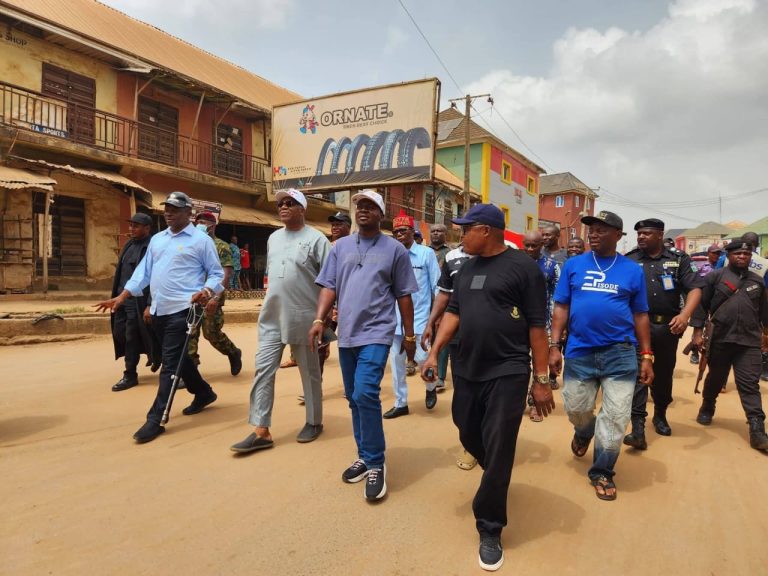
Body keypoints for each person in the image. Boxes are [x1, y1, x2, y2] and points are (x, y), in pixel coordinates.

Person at [421, 203, 554, 572]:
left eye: (465, 229)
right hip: (467, 367)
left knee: (499, 446)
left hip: (508, 371)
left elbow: (536, 327)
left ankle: (490, 525)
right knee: (466, 429)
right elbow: (454, 313)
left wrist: (541, 381)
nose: (460, 236)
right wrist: (434, 354)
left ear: (486, 230)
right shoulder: (464, 268)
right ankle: (494, 471)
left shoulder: (524, 269)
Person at [310, 189, 417, 502]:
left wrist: (409, 336)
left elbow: (404, 296)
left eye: (370, 206)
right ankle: (364, 453)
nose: (363, 210)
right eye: (359, 205)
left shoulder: (394, 250)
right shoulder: (340, 247)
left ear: (381, 214)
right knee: (353, 398)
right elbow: (329, 286)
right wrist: (319, 320)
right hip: (347, 334)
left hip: (378, 331)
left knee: (366, 391)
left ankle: (375, 463)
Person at [95, 191, 225, 444]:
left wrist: (206, 291)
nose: (168, 212)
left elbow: (216, 274)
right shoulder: (158, 240)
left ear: (189, 212)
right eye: (166, 208)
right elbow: (143, 274)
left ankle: (156, 418)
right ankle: (204, 393)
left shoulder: (201, 240)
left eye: (175, 208)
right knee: (178, 358)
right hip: (159, 310)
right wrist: (121, 297)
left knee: (169, 364)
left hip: (185, 309)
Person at [549, 210, 653, 501]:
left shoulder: (632, 271)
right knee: (576, 408)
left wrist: (646, 355)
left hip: (620, 353)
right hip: (580, 350)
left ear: (618, 235)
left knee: (617, 416)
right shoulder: (573, 265)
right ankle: (584, 432)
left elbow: (640, 314)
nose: (593, 234)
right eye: (591, 229)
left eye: (601, 229)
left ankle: (602, 471)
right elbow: (561, 308)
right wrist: (555, 346)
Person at [230, 189, 331, 453]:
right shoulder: (273, 238)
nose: (283, 206)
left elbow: (331, 281)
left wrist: (326, 317)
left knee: (309, 373)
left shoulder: (318, 239)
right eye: (280, 203)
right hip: (272, 317)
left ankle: (314, 421)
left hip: (304, 318)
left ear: (303, 209)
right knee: (263, 369)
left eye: (290, 203)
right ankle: (261, 429)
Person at [622, 219, 703, 449]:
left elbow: (695, 288)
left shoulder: (678, 259)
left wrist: (685, 315)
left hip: (667, 328)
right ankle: (638, 427)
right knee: (639, 373)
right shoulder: (630, 259)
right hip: (636, 327)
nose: (641, 237)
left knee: (664, 373)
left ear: (660, 234)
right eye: (639, 233)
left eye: (646, 233)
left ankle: (660, 414)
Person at [691, 238, 768, 451]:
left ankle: (757, 429)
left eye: (747, 254)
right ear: (729, 255)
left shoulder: (757, 281)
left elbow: (764, 311)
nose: (742, 257)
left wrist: (766, 335)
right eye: (738, 254)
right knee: (715, 379)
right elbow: (701, 306)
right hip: (720, 340)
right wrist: (697, 332)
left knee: (750, 385)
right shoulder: (715, 277)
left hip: (749, 341)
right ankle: (707, 406)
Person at [422, 240, 476, 469]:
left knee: (484, 392)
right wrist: (430, 323)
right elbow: (444, 295)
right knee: (463, 393)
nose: (466, 233)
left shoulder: (505, 255)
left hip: (490, 338)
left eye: (470, 227)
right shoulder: (453, 257)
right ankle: (471, 442)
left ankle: (484, 444)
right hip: (455, 333)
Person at [384, 210, 440, 418]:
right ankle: (401, 403)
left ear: (412, 232)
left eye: (404, 231)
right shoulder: (389, 256)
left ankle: (431, 387)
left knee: (424, 358)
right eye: (396, 232)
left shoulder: (426, 254)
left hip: (420, 319)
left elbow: (437, 287)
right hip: (394, 320)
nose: (400, 235)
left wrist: (435, 319)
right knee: (396, 364)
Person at [186, 211, 242, 376]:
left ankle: (233, 352)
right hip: (192, 296)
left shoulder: (221, 246)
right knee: (190, 333)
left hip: (211, 297)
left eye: (203, 222)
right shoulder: (191, 244)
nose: (199, 225)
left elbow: (226, 273)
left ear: (213, 225)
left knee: (211, 334)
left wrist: (215, 297)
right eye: (197, 222)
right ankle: (191, 372)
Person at [109, 212, 158, 392]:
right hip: (121, 298)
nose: (132, 229)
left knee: (132, 337)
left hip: (138, 301)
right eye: (131, 225)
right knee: (119, 333)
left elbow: (154, 277)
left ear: (147, 228)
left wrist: (149, 303)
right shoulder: (129, 244)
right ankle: (153, 356)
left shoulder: (152, 246)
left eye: (136, 226)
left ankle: (130, 374)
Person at [522, 230, 561, 422]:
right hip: (518, 322)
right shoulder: (516, 264)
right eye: (526, 245)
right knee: (521, 364)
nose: (530, 249)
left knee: (539, 363)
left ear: (541, 245)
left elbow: (556, 298)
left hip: (542, 322)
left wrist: (555, 326)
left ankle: (535, 404)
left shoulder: (551, 267)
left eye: (534, 245)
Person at [689, 244, 722, 364]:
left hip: (714, 299)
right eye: (714, 253)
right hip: (701, 298)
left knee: (711, 326)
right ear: (708, 253)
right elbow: (692, 277)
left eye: (718, 253)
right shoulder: (700, 264)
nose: (716, 256)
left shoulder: (719, 266)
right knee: (698, 325)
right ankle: (694, 352)